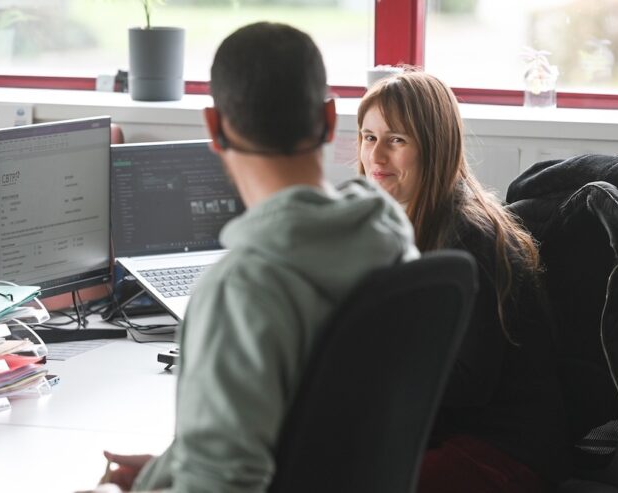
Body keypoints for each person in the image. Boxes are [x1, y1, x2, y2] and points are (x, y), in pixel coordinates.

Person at [100, 22, 418, 492]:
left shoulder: (242, 288)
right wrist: (167, 473)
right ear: (330, 119)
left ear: (214, 128)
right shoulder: (390, 236)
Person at [357, 70, 568, 492]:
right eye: (368, 137)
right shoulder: (396, 224)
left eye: (396, 140)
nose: (376, 156)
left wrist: (367, 372)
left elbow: (468, 383)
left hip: (502, 446)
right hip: (445, 430)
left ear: (434, 147)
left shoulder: (470, 238)